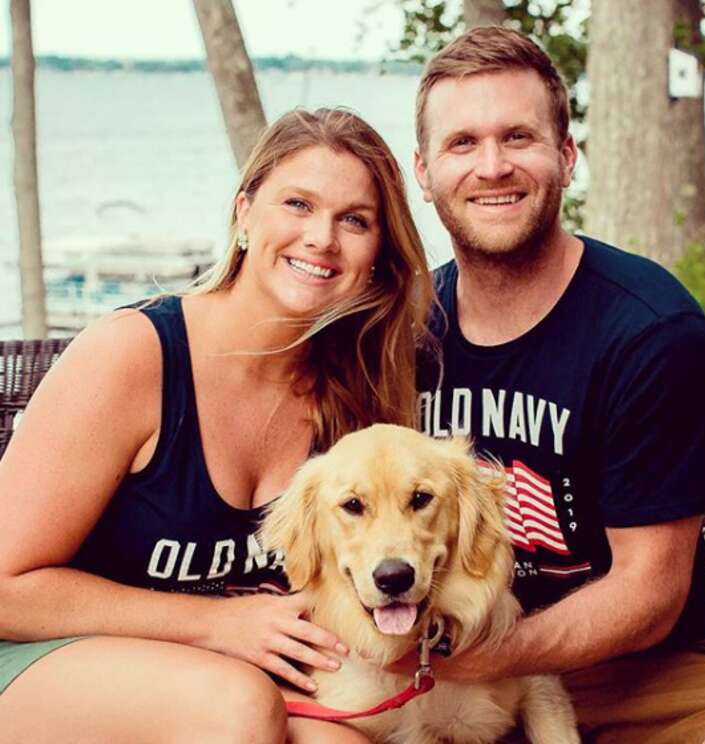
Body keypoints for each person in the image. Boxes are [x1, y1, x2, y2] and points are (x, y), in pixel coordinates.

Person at [407, 25, 705, 744]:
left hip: (633, 669)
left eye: (518, 137)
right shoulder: (401, 335)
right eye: (463, 144)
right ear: (424, 173)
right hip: (429, 666)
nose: (492, 166)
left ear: (565, 155)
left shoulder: (647, 330)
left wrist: (485, 658)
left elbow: (649, 593)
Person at [0, 107, 433, 744]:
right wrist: (216, 624)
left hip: (222, 670)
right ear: (243, 212)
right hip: (40, 657)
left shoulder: (358, 399)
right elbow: (6, 586)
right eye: (297, 204)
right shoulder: (134, 354)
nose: (322, 238)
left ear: (378, 252)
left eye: (354, 220)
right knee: (235, 708)